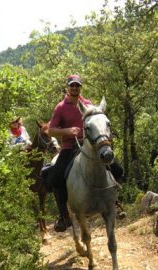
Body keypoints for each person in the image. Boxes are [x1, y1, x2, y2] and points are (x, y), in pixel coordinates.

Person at [48, 74, 124, 232]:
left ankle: (115, 202)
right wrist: (68, 131)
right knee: (56, 177)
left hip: (90, 145)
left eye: (77, 85)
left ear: (80, 87)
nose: (75, 88)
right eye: (72, 85)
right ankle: (64, 216)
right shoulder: (61, 107)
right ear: (68, 87)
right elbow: (51, 130)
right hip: (70, 147)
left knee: (116, 169)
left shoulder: (88, 104)